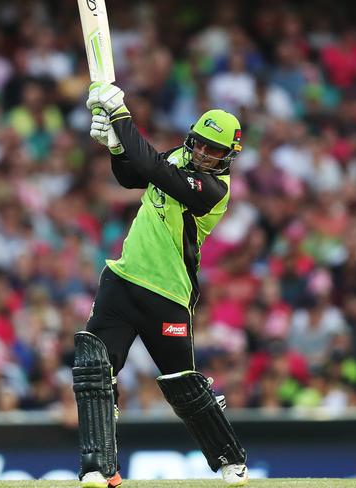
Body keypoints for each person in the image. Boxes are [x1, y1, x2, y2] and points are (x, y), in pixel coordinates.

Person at [72, 82, 248, 488]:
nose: (205, 154)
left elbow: (154, 169)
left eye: (215, 151)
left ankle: (230, 458)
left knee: (182, 383)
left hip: (167, 293)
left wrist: (121, 118)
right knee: (94, 367)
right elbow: (133, 176)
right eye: (201, 144)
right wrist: (116, 146)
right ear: (192, 138)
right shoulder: (177, 158)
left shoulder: (214, 191)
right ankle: (99, 467)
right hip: (122, 278)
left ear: (228, 157)